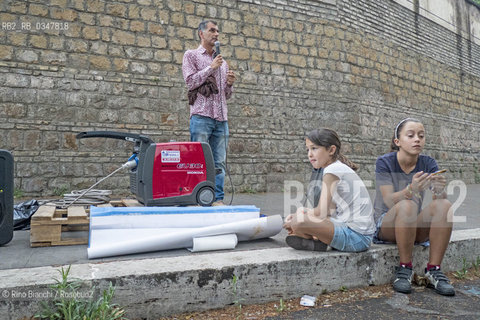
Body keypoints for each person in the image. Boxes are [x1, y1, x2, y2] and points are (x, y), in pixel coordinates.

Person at [373, 118, 454, 296]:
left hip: (411, 224)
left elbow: (438, 201)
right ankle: (405, 269)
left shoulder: (428, 163)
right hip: (386, 225)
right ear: (398, 142)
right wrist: (411, 189)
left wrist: (440, 190)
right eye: (410, 135)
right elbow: (387, 200)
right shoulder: (384, 162)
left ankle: (434, 270)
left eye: (421, 136)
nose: (417, 139)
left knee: (445, 205)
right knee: (407, 205)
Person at [283, 128, 375, 253]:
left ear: (331, 150)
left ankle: (317, 239)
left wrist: (297, 219)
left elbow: (321, 211)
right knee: (301, 212)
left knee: (299, 221)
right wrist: (300, 214)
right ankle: (319, 240)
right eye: (308, 149)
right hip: (351, 231)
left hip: (357, 237)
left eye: (314, 148)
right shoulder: (334, 168)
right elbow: (329, 212)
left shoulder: (333, 170)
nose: (309, 154)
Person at [182, 20, 236, 206]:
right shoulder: (191, 56)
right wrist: (210, 68)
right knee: (198, 161)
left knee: (219, 163)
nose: (216, 34)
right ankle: (197, 198)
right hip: (201, 117)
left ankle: (217, 199)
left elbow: (225, 95)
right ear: (201, 34)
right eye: (212, 30)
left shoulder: (223, 63)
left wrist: (229, 84)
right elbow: (190, 82)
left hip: (221, 119)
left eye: (218, 31)